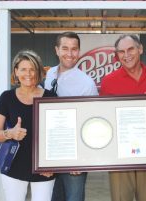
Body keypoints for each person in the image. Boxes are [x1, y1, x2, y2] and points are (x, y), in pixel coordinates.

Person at [99, 34, 146, 201]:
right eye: (121, 51)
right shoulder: (108, 81)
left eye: (130, 49)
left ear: (140, 49)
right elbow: (103, 118)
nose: (126, 55)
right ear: (117, 55)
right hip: (119, 154)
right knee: (121, 198)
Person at [0, 50, 56, 201]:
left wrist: (53, 164)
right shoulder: (7, 97)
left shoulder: (51, 97)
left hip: (43, 169)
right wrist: (10, 133)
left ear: (39, 71)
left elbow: (59, 135)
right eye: (23, 69)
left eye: (32, 69)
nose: (29, 74)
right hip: (13, 166)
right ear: (16, 71)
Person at [44, 32, 98, 201]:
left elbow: (93, 122)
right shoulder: (49, 74)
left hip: (75, 154)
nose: (70, 53)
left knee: (73, 197)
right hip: (51, 152)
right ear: (56, 50)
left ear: (79, 52)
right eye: (65, 48)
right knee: (53, 196)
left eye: (74, 49)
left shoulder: (86, 82)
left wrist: (83, 158)